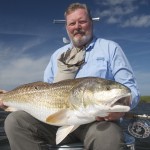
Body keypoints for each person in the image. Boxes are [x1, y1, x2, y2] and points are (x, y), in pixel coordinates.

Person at [0, 2, 140, 150]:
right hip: (55, 120)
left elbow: (130, 89)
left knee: (108, 135)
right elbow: (45, 88)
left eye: (82, 21)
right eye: (72, 23)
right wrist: (7, 99)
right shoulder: (57, 55)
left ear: (91, 23)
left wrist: (122, 107)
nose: (77, 27)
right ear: (67, 27)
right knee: (14, 121)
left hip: (97, 123)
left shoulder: (110, 48)